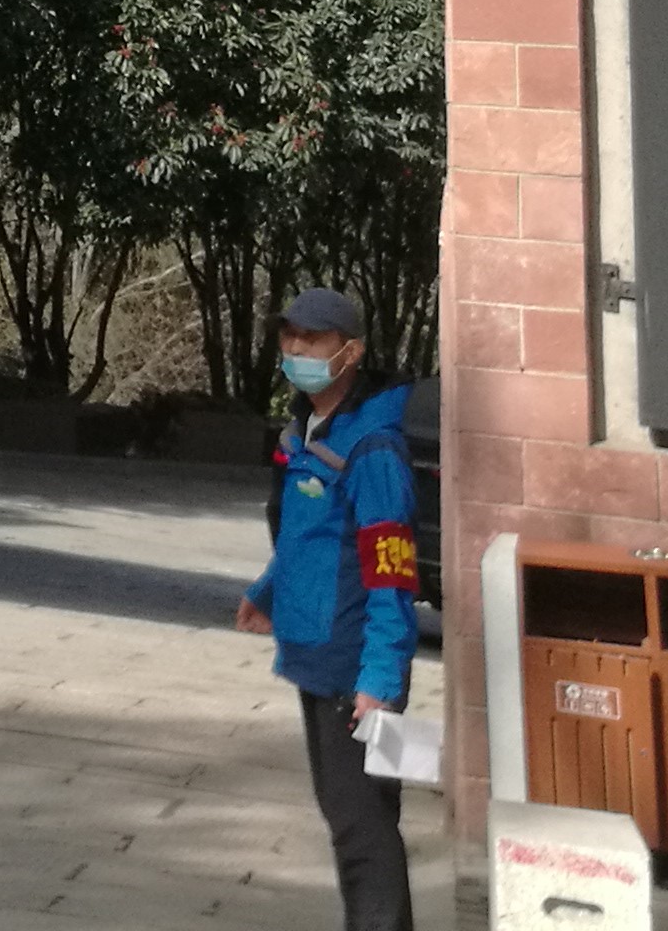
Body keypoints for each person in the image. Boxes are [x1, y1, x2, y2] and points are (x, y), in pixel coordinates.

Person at [235, 287, 420, 931]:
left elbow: (392, 575)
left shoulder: (373, 450)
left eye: (312, 340)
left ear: (351, 352)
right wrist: (267, 592)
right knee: (351, 821)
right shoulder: (310, 430)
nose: (296, 350)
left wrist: (380, 679)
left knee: (363, 830)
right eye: (290, 337)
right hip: (316, 653)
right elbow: (307, 536)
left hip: (353, 667)